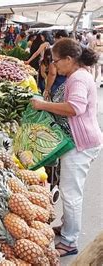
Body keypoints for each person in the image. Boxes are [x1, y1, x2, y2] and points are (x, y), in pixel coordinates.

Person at [30, 38, 102, 258]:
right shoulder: (77, 74)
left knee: (71, 194)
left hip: (81, 144)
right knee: (70, 190)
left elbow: (75, 108)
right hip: (79, 141)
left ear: (70, 59)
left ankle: (70, 241)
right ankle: (67, 227)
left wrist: (43, 105)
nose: (55, 66)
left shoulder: (79, 78)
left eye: (57, 61)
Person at [41, 30, 69, 100]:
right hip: (68, 83)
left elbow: (53, 73)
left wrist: (47, 89)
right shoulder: (71, 49)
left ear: (60, 37)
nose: (54, 41)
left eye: (55, 39)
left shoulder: (55, 50)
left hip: (58, 83)